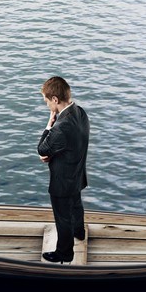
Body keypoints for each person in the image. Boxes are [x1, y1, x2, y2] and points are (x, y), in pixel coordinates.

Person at [36, 76, 90, 263]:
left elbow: (42, 148)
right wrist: (54, 152)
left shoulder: (61, 127)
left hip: (63, 180)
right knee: (76, 205)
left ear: (55, 100)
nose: (47, 105)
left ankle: (64, 253)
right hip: (77, 173)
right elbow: (72, 143)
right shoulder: (80, 113)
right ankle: (80, 233)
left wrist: (49, 124)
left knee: (63, 218)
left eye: (46, 101)